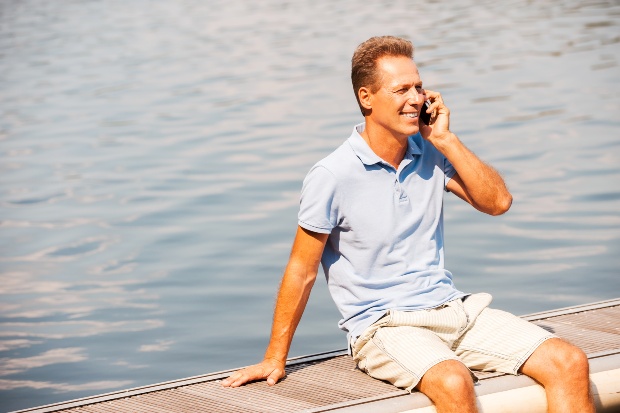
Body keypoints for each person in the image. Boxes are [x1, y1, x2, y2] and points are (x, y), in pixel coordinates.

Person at [222, 36, 594, 413]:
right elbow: (301, 270)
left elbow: (498, 203)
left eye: (418, 86)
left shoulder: (432, 152)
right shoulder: (331, 175)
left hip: (452, 308)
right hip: (383, 326)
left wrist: (446, 139)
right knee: (452, 380)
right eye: (401, 89)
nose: (416, 98)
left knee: (569, 362)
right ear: (366, 98)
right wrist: (275, 357)